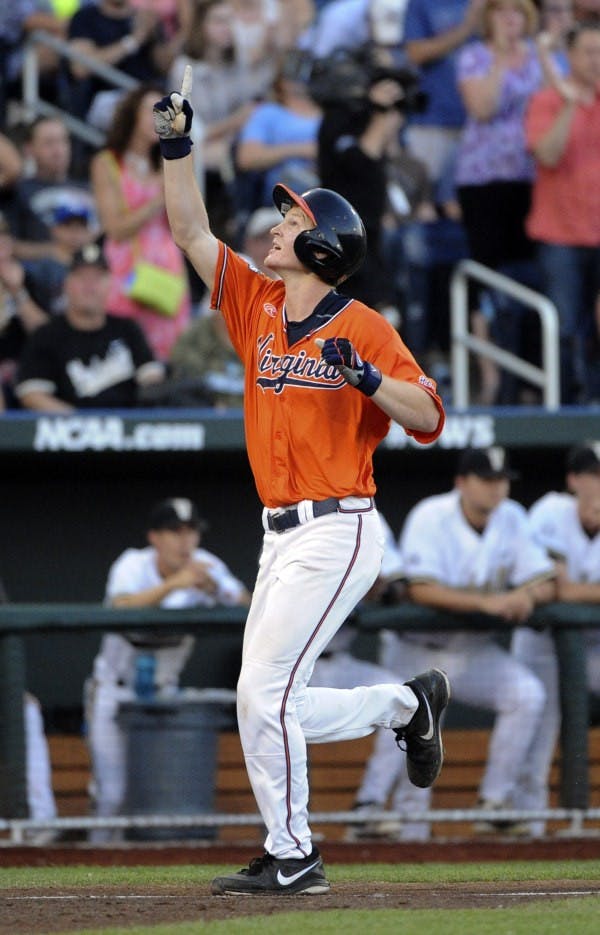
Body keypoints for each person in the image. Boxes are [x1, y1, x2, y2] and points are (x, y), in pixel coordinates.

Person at [153, 69, 449, 895]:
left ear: (323, 247)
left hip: (337, 524)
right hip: (276, 533)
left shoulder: (363, 325)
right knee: (267, 701)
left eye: (292, 221)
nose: (278, 227)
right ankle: (403, 706)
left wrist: (367, 381)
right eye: (283, 216)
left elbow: (426, 417)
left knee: (264, 694)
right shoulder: (257, 302)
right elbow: (186, 227)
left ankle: (295, 851)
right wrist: (178, 143)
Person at [377, 447, 556, 837]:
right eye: (487, 480)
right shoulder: (431, 514)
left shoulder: (512, 517)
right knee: (410, 743)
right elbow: (420, 591)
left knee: (527, 695)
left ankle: (495, 801)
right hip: (417, 653)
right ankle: (408, 841)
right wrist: (488, 602)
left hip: (473, 653)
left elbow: (545, 580)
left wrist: (528, 596)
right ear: (462, 482)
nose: (497, 488)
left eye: (502, 479)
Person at [86, 497, 251, 839]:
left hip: (163, 697)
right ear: (155, 537)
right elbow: (120, 606)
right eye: (175, 532)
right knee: (113, 796)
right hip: (114, 692)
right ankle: (96, 874)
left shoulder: (205, 565)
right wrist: (172, 586)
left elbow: (248, 603)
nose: (185, 541)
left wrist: (215, 588)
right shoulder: (132, 564)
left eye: (191, 531)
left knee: (163, 798)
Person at [454, 0, 544, 405]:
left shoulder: (545, 58)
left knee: (530, 277)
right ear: (488, 17)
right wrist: (501, 61)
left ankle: (531, 375)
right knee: (486, 275)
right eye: (501, 10)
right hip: (483, 181)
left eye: (517, 11)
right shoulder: (473, 58)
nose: (510, 19)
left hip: (534, 179)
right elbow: (483, 107)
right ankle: (491, 375)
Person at [515, 442, 600, 836]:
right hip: (543, 643)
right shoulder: (551, 510)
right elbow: (559, 590)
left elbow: (573, 589)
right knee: (540, 728)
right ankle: (528, 826)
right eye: (594, 473)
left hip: (593, 647)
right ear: (574, 479)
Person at [524, 19, 600, 403]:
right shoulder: (546, 101)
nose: (596, 60)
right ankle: (569, 403)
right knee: (565, 327)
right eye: (588, 51)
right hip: (560, 237)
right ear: (569, 56)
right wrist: (570, 104)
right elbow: (548, 153)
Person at [90, 85, 192, 362]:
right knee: (124, 347)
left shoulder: (166, 163)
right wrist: (158, 200)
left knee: (170, 349)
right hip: (127, 266)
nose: (157, 120)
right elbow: (115, 228)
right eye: (150, 112)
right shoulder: (108, 163)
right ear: (132, 116)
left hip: (168, 265)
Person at [15, 242, 165, 411]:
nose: (89, 286)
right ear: (66, 283)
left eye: (97, 277)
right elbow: (32, 394)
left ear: (109, 284)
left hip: (128, 428)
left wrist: (134, 420)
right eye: (81, 277)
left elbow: (152, 377)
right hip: (69, 431)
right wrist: (82, 424)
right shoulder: (47, 335)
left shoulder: (128, 328)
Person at [6, 116, 98, 262]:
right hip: (40, 276)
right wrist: (53, 251)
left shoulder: (91, 188)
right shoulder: (18, 190)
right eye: (49, 143)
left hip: (93, 273)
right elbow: (8, 245)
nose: (58, 150)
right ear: (29, 149)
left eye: (63, 141)